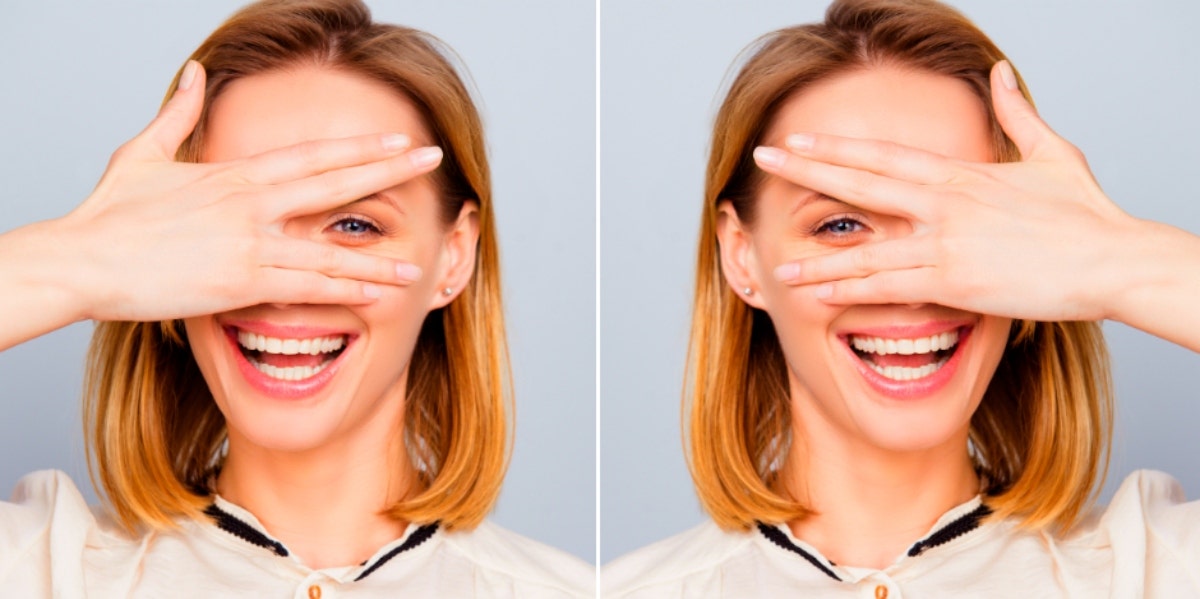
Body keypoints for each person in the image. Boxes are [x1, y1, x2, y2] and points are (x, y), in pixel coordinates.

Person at [602, 0, 1199, 596]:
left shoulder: (1153, 568)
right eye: (839, 225)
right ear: (742, 255)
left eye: (960, 228)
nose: (910, 286)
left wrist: (1116, 263)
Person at [0, 1, 592, 596]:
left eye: (357, 225)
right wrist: (79, 263)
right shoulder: (43, 568)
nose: (286, 286)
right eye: (236, 229)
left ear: (453, 255)